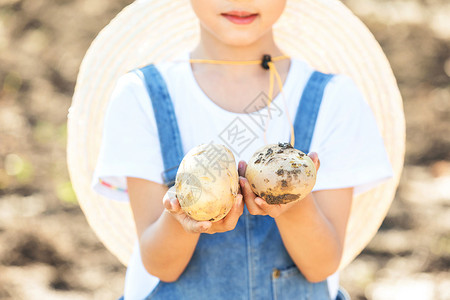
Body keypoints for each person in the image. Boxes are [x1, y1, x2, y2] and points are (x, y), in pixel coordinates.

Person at [91, 0, 393, 299]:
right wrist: (183, 217)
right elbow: (160, 266)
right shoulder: (142, 97)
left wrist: (292, 201)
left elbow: (321, 266)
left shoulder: (335, 100)